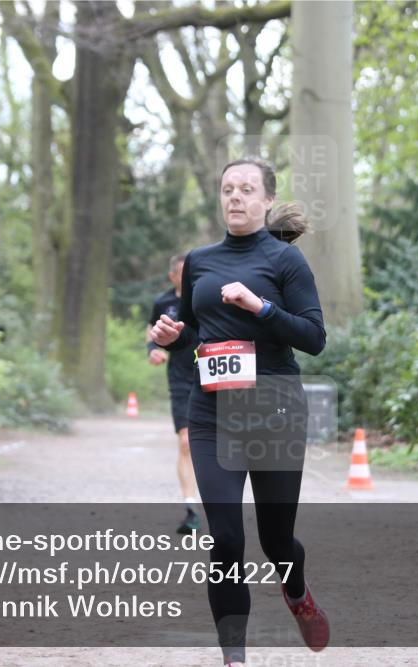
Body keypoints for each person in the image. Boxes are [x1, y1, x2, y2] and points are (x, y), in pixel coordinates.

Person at [149, 157, 329, 667]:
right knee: (226, 540)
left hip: (275, 412)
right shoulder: (200, 262)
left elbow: (314, 337)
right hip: (213, 414)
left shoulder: (286, 262)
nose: (235, 197)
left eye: (247, 189)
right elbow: (194, 332)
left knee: (276, 541)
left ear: (267, 199)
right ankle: (235, 659)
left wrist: (260, 307)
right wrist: (172, 336)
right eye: (228, 188)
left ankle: (297, 592)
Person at [146, 252, 201, 534]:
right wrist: (152, 349)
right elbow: (151, 330)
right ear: (172, 276)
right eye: (183, 273)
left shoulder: (204, 297)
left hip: (211, 377)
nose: (189, 277)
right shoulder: (163, 302)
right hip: (180, 379)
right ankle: (191, 508)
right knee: (186, 442)